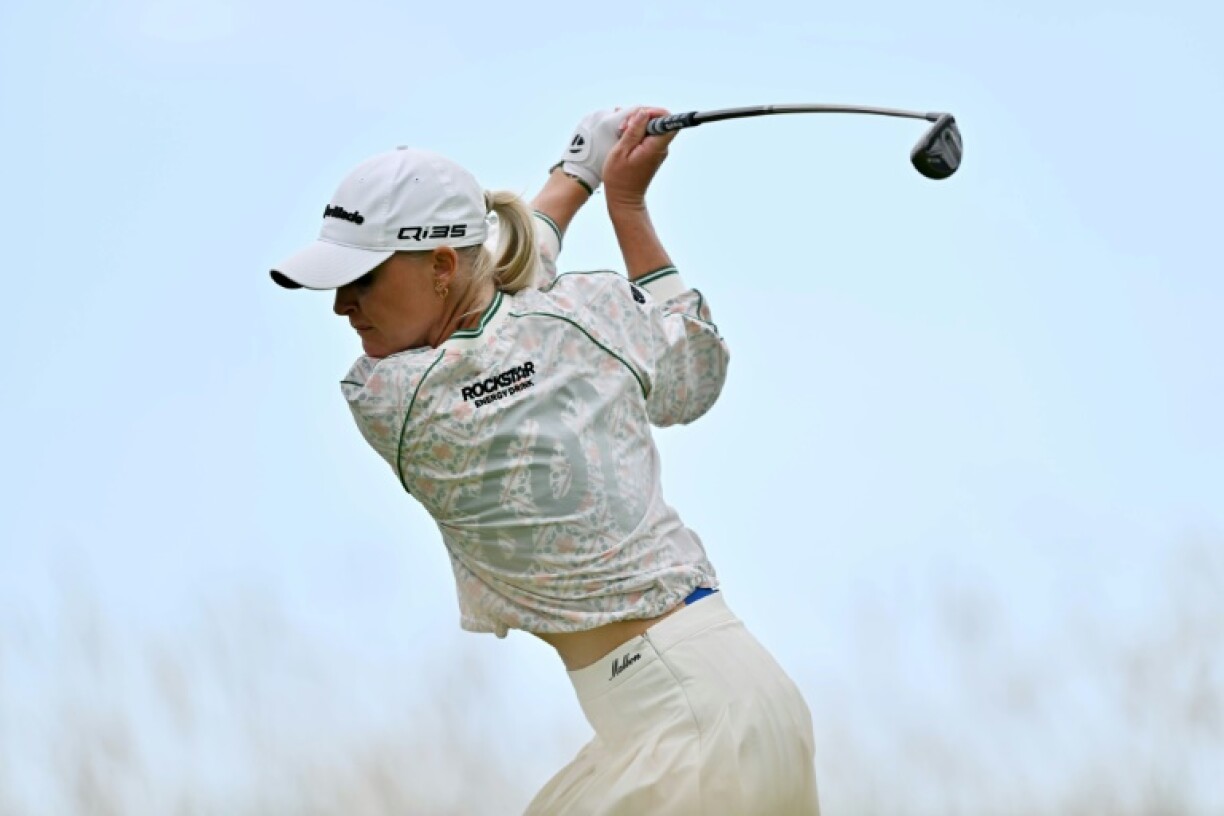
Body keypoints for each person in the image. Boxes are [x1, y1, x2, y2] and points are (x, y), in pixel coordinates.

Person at [269, 106, 821, 815]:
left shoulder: (387, 393)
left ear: (440, 266)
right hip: (703, 707)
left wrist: (583, 176)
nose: (342, 305)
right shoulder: (569, 321)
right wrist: (621, 201)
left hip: (696, 723)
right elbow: (694, 369)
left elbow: (513, 286)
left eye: (363, 279)